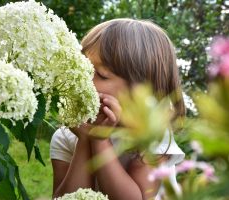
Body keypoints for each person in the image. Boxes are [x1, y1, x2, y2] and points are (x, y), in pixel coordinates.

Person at [50, 18, 185, 200]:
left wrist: (100, 140)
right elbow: (65, 198)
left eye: (101, 75)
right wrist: (84, 140)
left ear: (140, 93)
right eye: (82, 68)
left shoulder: (152, 133)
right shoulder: (66, 136)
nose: (83, 79)